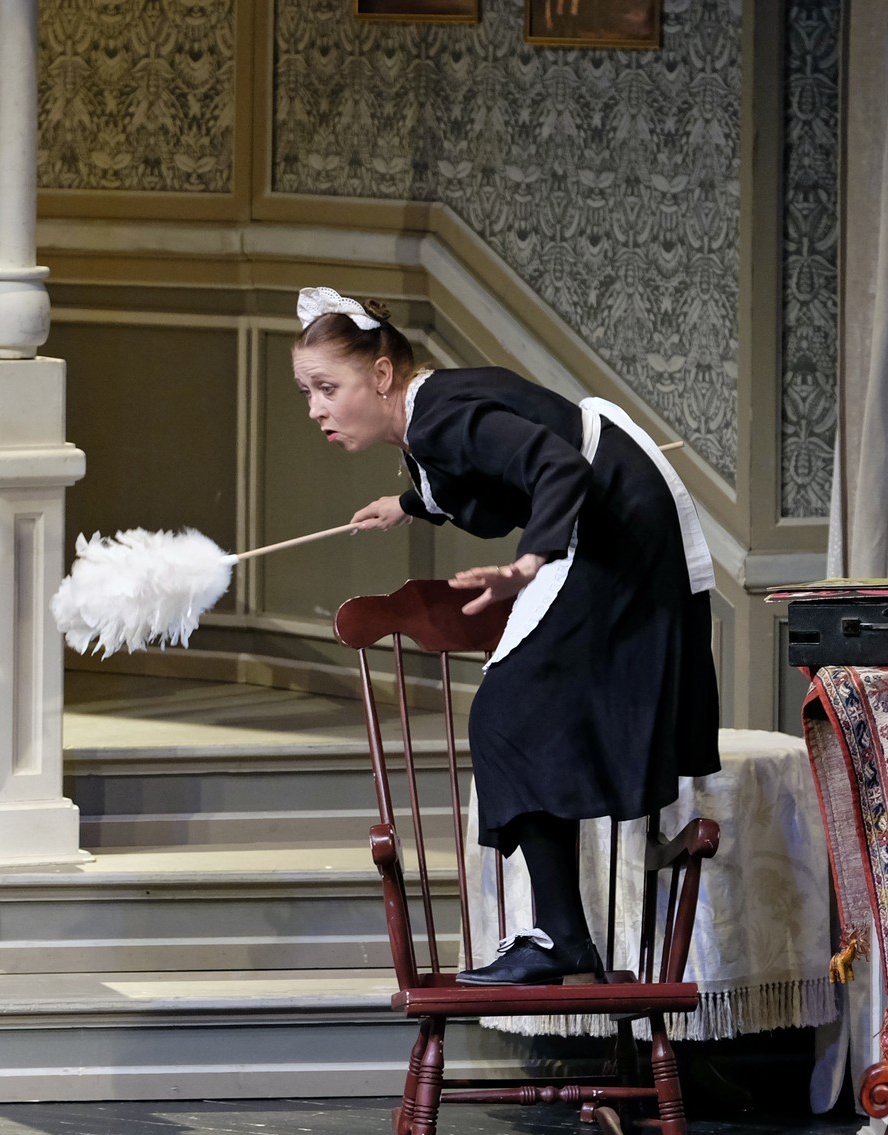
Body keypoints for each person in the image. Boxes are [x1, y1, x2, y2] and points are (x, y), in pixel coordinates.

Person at [292, 286, 721, 985]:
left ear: (381, 374)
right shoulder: (429, 417)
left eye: (326, 387)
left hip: (612, 519)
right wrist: (409, 503)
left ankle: (559, 938)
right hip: (611, 510)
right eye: (307, 392)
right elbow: (493, 481)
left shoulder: (437, 417)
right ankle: (561, 934)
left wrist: (527, 566)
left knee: (505, 713)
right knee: (517, 712)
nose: (315, 408)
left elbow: (556, 466)